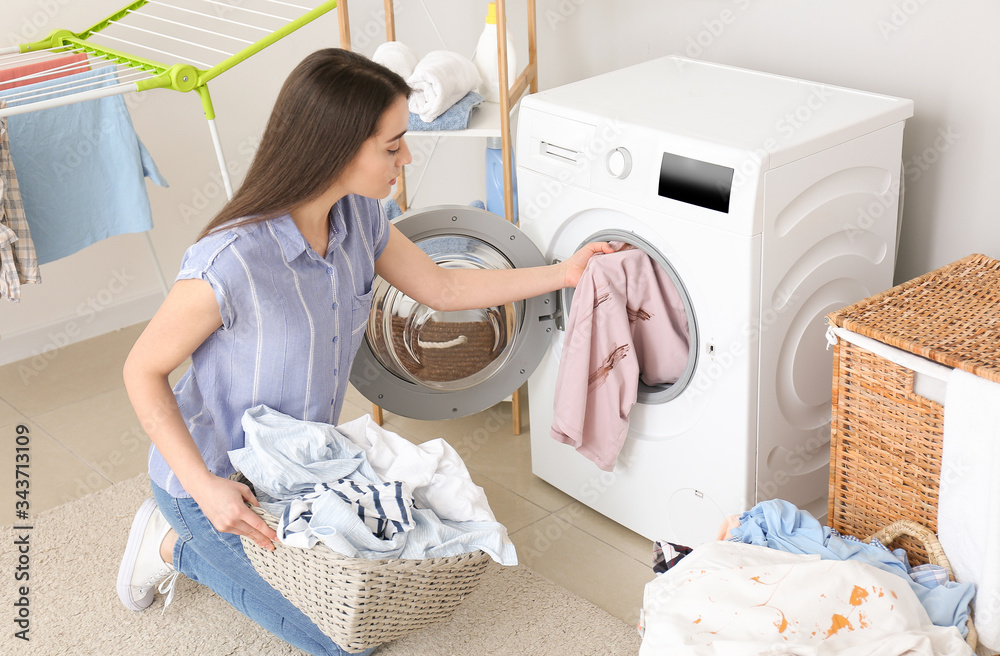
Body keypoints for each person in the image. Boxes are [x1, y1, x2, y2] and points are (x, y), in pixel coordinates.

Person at [115, 48, 611, 656]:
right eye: (393, 145)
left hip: (302, 471)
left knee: (381, 591)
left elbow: (444, 286)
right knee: (338, 642)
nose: (407, 158)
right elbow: (142, 369)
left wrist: (564, 274)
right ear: (337, 147)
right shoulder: (234, 261)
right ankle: (170, 541)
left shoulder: (361, 220)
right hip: (215, 479)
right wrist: (205, 488)